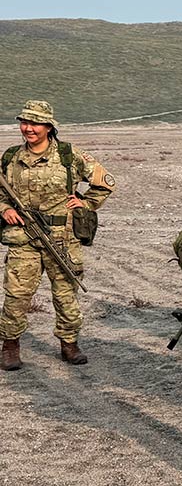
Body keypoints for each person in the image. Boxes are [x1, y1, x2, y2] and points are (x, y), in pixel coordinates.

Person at [0, 101, 116, 370]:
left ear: (49, 127)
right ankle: (10, 346)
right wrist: (4, 208)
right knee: (17, 295)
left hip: (62, 238)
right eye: (24, 122)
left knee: (66, 294)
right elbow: (2, 193)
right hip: (24, 239)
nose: (28, 128)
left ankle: (69, 343)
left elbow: (106, 182)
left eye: (35, 123)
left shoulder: (69, 156)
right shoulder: (10, 157)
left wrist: (85, 203)